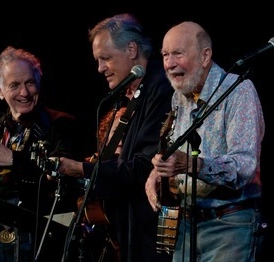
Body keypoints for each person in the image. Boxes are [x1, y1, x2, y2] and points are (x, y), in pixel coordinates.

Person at [56, 13, 174, 262]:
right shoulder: (125, 98)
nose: (100, 68)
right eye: (98, 60)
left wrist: (81, 169)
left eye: (105, 58)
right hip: (123, 233)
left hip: (150, 235)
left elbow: (143, 165)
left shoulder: (160, 89)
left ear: (132, 49)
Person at [145, 21, 265, 261]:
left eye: (178, 53)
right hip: (186, 224)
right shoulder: (179, 96)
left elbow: (243, 167)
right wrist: (157, 174)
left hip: (228, 225)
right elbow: (175, 152)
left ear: (205, 55)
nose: (169, 64)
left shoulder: (238, 91)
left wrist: (191, 165)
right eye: (165, 55)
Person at [0, 46, 85, 262]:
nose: (24, 93)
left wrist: (12, 159)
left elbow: (66, 175)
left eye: (30, 83)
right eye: (14, 85)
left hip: (41, 234)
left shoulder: (61, 124)